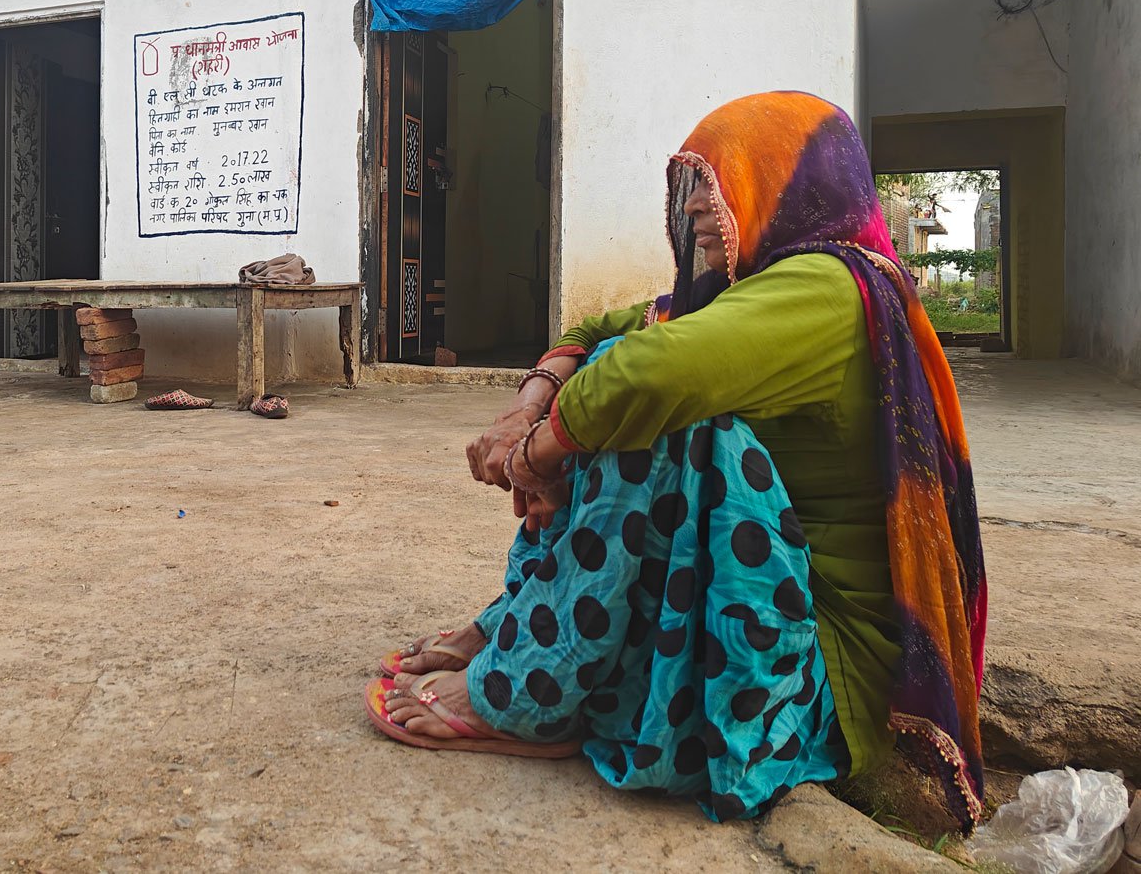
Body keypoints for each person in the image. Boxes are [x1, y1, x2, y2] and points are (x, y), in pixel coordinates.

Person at [363, 92, 987, 830]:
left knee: (663, 421)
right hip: (750, 609)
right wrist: (528, 404)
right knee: (604, 374)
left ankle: (534, 690)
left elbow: (648, 374)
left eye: (712, 184)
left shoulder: (828, 287)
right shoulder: (757, 287)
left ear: (789, 185)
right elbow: (605, 327)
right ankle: (523, 628)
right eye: (688, 188)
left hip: (803, 677)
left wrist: (536, 454)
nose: (692, 209)